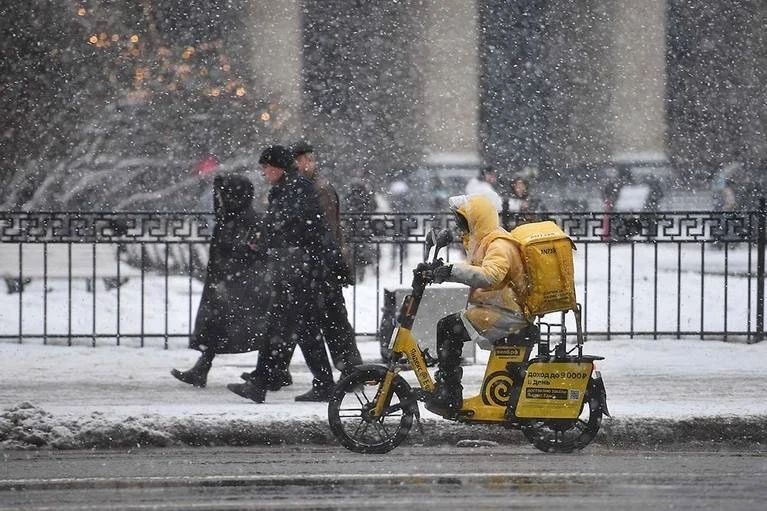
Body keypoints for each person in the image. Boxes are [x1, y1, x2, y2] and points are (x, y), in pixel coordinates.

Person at [226, 145, 349, 404]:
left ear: (278, 168)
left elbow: (290, 226)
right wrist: (264, 236)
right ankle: (283, 382)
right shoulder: (290, 187)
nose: (263, 173)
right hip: (299, 269)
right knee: (298, 327)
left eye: (265, 167)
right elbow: (286, 225)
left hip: (301, 270)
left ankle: (268, 382)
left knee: (289, 326)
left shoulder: (295, 188)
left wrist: (265, 235)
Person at [423, 194, 531, 412]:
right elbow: (475, 270)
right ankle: (448, 387)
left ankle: (450, 393)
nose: (459, 225)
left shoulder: (499, 244)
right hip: (499, 310)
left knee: (448, 328)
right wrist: (443, 271)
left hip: (508, 315)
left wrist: (451, 271)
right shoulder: (486, 241)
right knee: (449, 326)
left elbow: (490, 276)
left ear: (475, 219)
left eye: (462, 220)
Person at [171, 173, 272, 388]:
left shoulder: (246, 221)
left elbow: (254, 252)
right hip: (226, 282)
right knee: (217, 326)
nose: (219, 199)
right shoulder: (229, 219)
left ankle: (272, 371)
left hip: (240, 285)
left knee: (252, 328)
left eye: (222, 194)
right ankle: (202, 368)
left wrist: (239, 260)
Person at [286, 141, 363, 388]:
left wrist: (326, 262)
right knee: (330, 320)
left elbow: (328, 231)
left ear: (307, 161)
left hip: (324, 266)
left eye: (298, 162)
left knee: (330, 321)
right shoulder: (312, 186)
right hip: (323, 265)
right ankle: (350, 372)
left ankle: (349, 372)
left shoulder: (317, 189)